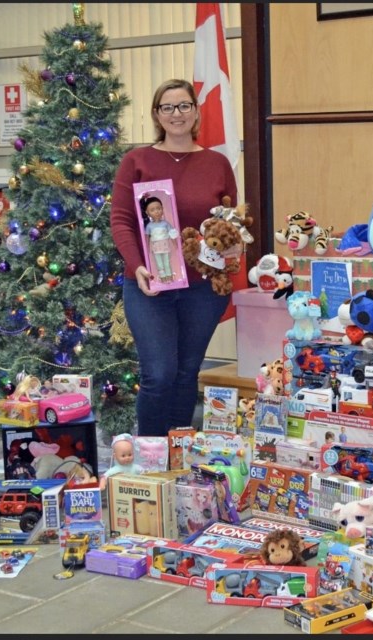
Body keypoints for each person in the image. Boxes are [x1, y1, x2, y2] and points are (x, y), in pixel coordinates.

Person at [111, 79, 237, 437]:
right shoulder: (136, 160)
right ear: (156, 114)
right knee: (159, 373)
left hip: (203, 288)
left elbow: (229, 221)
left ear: (196, 111)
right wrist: (138, 267)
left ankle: (180, 454)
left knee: (186, 373)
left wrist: (233, 246)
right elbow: (120, 219)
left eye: (184, 106)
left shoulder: (217, 163)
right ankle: (150, 458)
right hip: (149, 284)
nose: (176, 114)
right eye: (167, 107)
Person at [140, 195, 179, 283]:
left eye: (158, 208)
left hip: (165, 247)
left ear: (162, 209)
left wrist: (176, 246)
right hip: (156, 248)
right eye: (152, 210)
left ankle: (169, 277)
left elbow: (172, 234)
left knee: (167, 263)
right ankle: (163, 278)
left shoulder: (165, 223)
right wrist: (147, 249)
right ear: (147, 212)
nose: (156, 212)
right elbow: (147, 238)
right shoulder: (149, 226)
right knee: (159, 264)